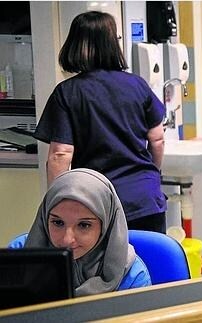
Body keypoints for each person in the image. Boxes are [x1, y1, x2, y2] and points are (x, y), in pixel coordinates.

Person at [33, 11, 167, 233]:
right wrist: (151, 175)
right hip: (145, 199)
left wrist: (56, 203)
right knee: (149, 262)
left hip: (95, 202)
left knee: (103, 267)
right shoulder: (137, 85)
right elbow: (157, 139)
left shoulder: (67, 92)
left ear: (75, 44)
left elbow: (60, 154)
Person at [22, 168, 151, 296]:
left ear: (106, 226)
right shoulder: (19, 255)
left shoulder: (132, 276)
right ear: (44, 218)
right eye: (58, 223)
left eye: (84, 225)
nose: (67, 240)